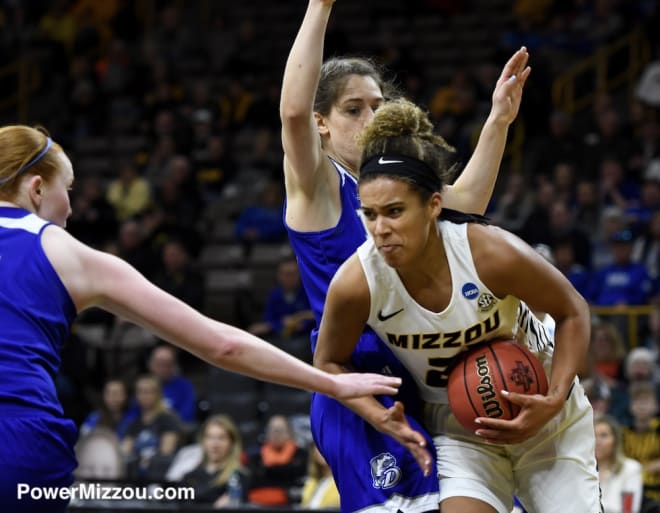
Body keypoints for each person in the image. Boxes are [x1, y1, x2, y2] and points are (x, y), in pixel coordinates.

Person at [0, 124, 401, 513]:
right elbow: (221, 343)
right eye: (66, 190)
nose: (70, 207)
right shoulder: (62, 250)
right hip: (19, 441)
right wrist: (330, 382)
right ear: (37, 189)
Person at [281, 1, 530, 510]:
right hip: (357, 380)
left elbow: (466, 204)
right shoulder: (321, 186)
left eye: (377, 105)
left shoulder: (389, 189)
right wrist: (320, 6)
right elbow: (290, 112)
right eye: (354, 109)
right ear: (321, 124)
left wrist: (499, 120)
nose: (371, 118)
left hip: (420, 371)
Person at [313, 98, 601, 513]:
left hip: (543, 408)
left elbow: (572, 310)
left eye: (394, 211)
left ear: (433, 206)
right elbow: (328, 364)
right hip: (459, 428)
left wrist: (554, 399)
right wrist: (376, 416)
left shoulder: (487, 252)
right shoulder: (357, 281)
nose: (380, 229)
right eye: (370, 214)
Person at [182, 414, 250, 507]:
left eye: (221, 438)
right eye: (210, 437)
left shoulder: (239, 478)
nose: (215, 444)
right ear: (203, 441)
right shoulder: (189, 477)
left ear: (232, 443)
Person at [247, 414, 308, 506]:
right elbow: (253, 482)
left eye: (280, 430)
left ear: (290, 433)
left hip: (292, 503)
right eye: (273, 430)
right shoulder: (257, 456)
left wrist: (268, 471)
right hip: (258, 504)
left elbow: (300, 480)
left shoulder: (301, 454)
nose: (276, 433)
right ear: (267, 433)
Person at [594, 415, 644, 513]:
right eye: (593, 435)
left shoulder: (631, 469)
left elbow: (628, 510)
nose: (597, 441)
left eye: (604, 435)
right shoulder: (584, 470)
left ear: (616, 440)